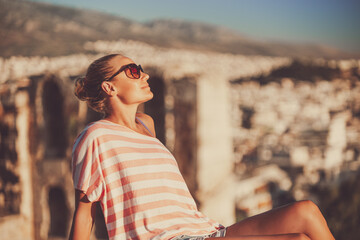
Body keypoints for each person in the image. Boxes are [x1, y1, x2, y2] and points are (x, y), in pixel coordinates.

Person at [69, 54, 335, 240]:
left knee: (306, 211)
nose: (144, 75)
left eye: (140, 68)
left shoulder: (147, 125)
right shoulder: (96, 137)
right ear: (109, 87)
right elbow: (85, 214)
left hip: (203, 230)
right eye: (134, 71)